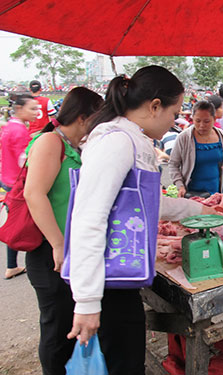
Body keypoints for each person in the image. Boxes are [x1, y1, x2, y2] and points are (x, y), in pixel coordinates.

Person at [66, 66, 215, 375]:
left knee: (128, 358)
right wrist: (88, 301)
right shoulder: (116, 141)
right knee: (124, 364)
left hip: (118, 280)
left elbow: (145, 203)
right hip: (107, 285)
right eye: (175, 112)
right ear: (154, 106)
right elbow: (89, 219)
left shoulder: (132, 139)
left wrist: (195, 211)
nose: (176, 121)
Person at [23, 87, 103, 375]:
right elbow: (34, 194)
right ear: (83, 117)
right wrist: (58, 244)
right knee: (57, 329)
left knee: (71, 323)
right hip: (50, 253)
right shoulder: (49, 142)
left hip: (70, 250)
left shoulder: (73, 147)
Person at [1, 94, 38, 279]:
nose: (36, 113)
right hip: (19, 181)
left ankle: (12, 265)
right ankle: (12, 265)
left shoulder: (9, 127)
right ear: (19, 109)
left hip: (8, 179)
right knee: (22, 223)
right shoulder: (20, 131)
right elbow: (25, 160)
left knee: (16, 220)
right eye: (32, 109)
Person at [169, 100, 223, 197]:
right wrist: (180, 186)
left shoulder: (221, 136)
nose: (202, 125)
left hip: (215, 192)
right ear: (192, 119)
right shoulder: (184, 138)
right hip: (192, 194)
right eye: (198, 121)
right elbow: (173, 164)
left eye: (206, 121)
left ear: (214, 119)